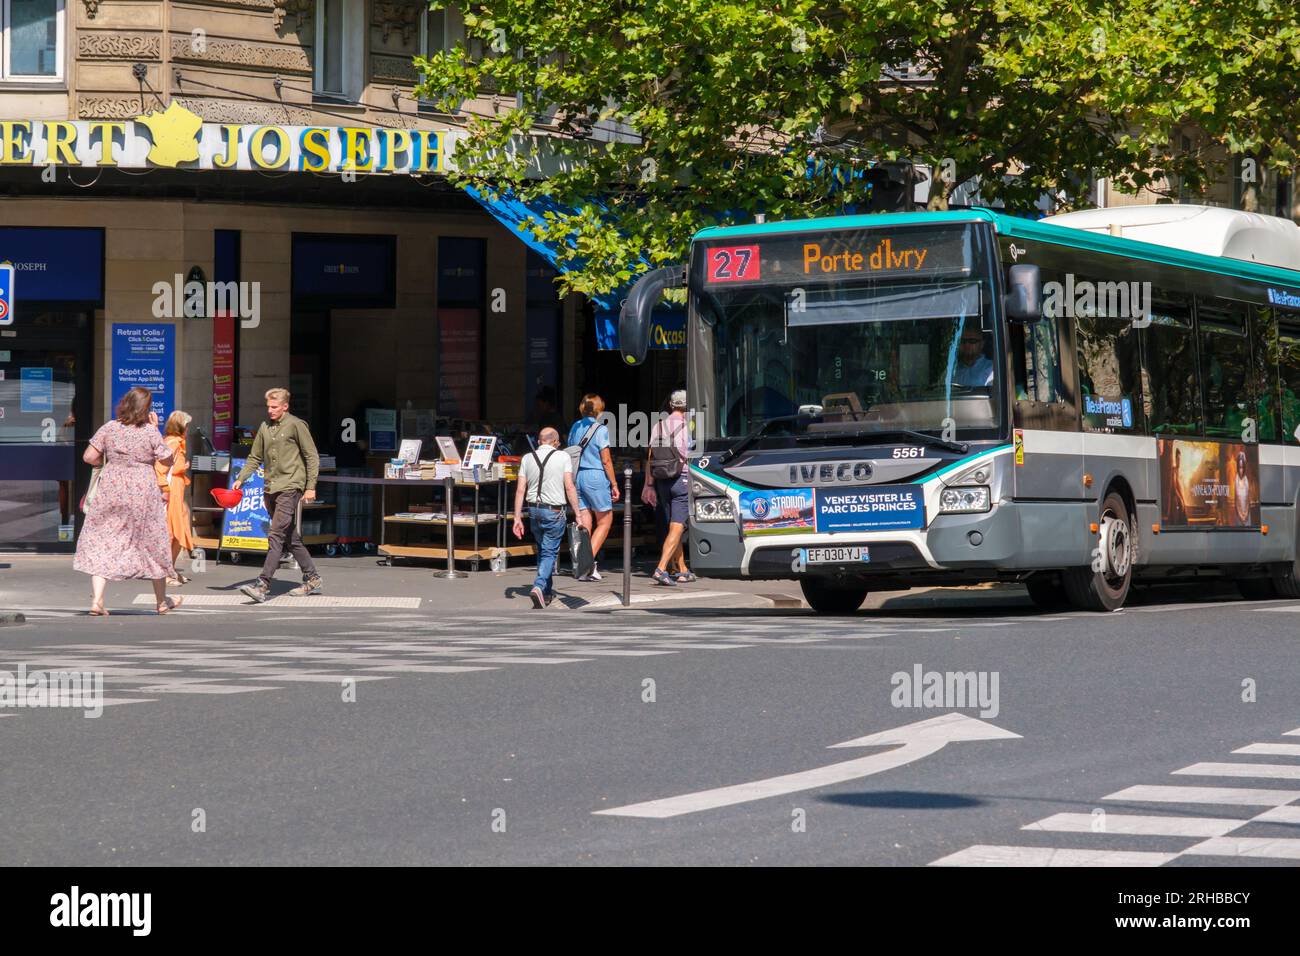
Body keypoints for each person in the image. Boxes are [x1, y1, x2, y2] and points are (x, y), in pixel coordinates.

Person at [73, 386, 184, 615]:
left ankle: (98, 601)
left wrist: (111, 462)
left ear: (125, 403)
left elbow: (89, 457)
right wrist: (154, 434)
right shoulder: (150, 431)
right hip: (142, 490)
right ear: (146, 409)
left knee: (104, 538)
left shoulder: (109, 428)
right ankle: (161, 602)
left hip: (112, 488)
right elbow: (167, 460)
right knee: (153, 540)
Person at [232, 387, 323, 602]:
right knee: (290, 536)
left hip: (290, 486)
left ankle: (262, 585)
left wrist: (311, 486)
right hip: (270, 487)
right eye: (268, 407)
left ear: (285, 406)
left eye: (274, 407)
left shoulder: (296, 425)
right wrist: (241, 478)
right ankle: (313, 578)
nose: (270, 411)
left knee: (276, 534)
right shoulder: (265, 427)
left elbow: (312, 456)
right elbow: (255, 457)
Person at [512, 426, 582, 608]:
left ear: (539, 441)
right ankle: (539, 585)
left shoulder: (527, 458)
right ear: (557, 442)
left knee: (543, 550)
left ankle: (547, 592)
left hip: (533, 510)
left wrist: (517, 517)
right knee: (549, 551)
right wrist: (579, 514)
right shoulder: (563, 457)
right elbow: (569, 487)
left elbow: (521, 490)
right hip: (554, 511)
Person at [642, 389, 694, 586]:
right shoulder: (688, 427)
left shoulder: (658, 426)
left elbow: (650, 457)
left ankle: (682, 570)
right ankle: (661, 568)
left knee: (674, 526)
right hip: (681, 479)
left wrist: (648, 484)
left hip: (662, 481)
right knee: (677, 527)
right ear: (687, 407)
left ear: (671, 405)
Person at [567, 394, 620, 581]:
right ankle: (586, 565)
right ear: (599, 409)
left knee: (585, 522)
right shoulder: (601, 429)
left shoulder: (575, 427)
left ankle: (581, 564)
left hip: (577, 476)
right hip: (595, 476)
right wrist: (614, 483)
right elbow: (606, 460)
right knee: (605, 521)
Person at [156, 410, 195, 586]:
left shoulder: (173, 442)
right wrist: (165, 489)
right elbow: (160, 468)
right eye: (186, 425)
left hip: (177, 493)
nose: (188, 429)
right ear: (181, 426)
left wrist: (182, 466)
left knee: (179, 531)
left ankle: (170, 570)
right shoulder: (173, 443)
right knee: (172, 534)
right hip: (171, 493)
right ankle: (166, 573)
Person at [951, 322, 994, 387]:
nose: (967, 345)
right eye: (963, 341)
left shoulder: (992, 369)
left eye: (972, 341)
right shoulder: (951, 370)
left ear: (982, 344)